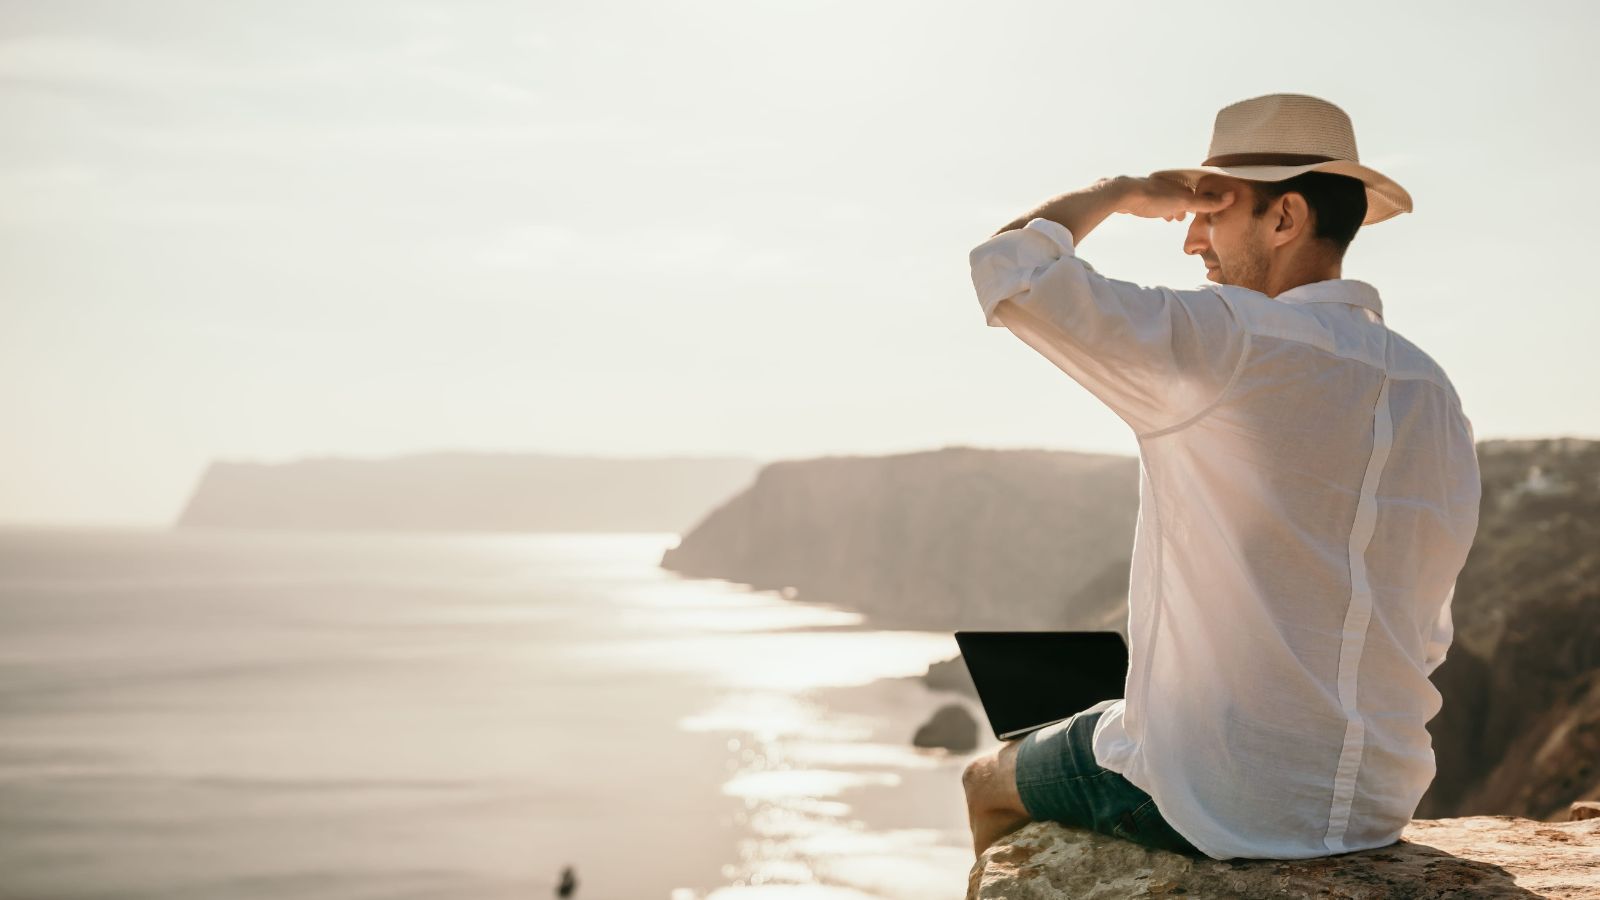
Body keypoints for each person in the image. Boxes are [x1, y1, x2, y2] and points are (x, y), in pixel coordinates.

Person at [959, 93, 1482, 862]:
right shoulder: (1433, 391)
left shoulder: (1229, 340)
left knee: (985, 776)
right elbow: (1425, 628)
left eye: (1212, 209)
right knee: (1110, 712)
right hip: (1378, 797)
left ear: (1284, 219)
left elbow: (1007, 271)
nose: (1191, 239)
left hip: (1221, 797)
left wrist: (1125, 190)